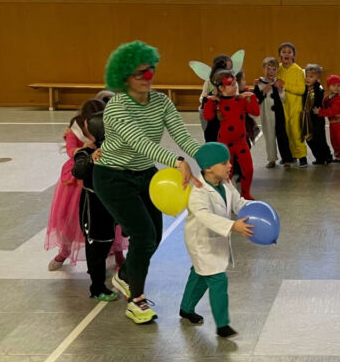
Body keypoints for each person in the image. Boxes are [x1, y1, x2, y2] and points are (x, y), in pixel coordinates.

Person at [93, 41, 202, 325]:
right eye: (139, 73)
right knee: (143, 235)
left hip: (145, 174)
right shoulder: (116, 107)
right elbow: (140, 143)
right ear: (124, 77)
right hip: (113, 176)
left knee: (153, 236)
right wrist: (177, 161)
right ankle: (136, 300)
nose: (147, 77)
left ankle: (125, 275)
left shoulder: (161, 102)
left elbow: (182, 135)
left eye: (150, 70)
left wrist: (208, 156)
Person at [179, 142, 254, 339]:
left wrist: (255, 210)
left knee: (199, 274)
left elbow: (238, 203)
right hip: (201, 241)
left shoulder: (226, 183)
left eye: (229, 161)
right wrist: (233, 225)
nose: (230, 165)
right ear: (208, 168)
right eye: (224, 163)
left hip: (215, 239)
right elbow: (204, 216)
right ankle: (222, 325)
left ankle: (186, 308)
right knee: (217, 279)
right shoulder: (198, 192)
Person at [46, 98, 105, 271]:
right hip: (75, 182)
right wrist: (84, 149)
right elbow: (70, 149)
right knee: (70, 220)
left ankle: (116, 254)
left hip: (100, 178)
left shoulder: (107, 127)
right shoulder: (75, 131)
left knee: (107, 220)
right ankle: (64, 251)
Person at [70, 112, 121, 301]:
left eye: (88, 132)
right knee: (95, 246)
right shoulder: (85, 153)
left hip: (111, 206)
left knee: (107, 241)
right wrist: (91, 158)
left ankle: (97, 270)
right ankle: (97, 287)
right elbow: (78, 171)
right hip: (93, 208)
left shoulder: (116, 151)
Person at [204, 69, 260, 200]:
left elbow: (255, 112)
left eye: (235, 83)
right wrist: (209, 102)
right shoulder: (218, 102)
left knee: (248, 170)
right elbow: (208, 116)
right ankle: (228, 196)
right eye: (231, 85)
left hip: (241, 142)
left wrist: (251, 97)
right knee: (226, 173)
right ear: (221, 88)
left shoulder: (240, 100)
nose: (235, 86)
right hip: (225, 143)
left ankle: (245, 193)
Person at [253, 57, 293, 168]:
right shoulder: (259, 83)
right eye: (268, 69)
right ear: (263, 69)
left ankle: (287, 159)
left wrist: (280, 90)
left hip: (278, 115)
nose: (271, 72)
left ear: (277, 71)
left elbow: (283, 98)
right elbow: (256, 100)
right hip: (266, 115)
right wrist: (263, 92)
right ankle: (271, 159)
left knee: (282, 136)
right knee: (269, 137)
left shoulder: (278, 82)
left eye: (274, 69)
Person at [276, 42, 308, 167]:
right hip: (282, 106)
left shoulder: (298, 70)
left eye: (289, 52)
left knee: (296, 132)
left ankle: (302, 156)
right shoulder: (278, 69)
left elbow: (301, 90)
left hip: (295, 106)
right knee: (286, 132)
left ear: (293, 56)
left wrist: (285, 86)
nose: (286, 54)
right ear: (280, 55)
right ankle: (291, 155)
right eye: (284, 52)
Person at [315, 74, 340, 163]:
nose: (336, 88)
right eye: (333, 85)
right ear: (328, 86)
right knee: (334, 140)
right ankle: (338, 156)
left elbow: (332, 111)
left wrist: (320, 112)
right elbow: (324, 105)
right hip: (333, 123)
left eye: (338, 85)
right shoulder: (327, 97)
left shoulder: (338, 98)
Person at [302, 64, 331, 165]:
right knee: (309, 139)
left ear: (317, 78)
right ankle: (319, 157)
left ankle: (327, 156)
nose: (308, 79)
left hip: (317, 118)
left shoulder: (319, 88)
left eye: (311, 77)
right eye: (306, 76)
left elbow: (319, 99)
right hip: (306, 118)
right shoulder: (303, 88)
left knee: (320, 138)